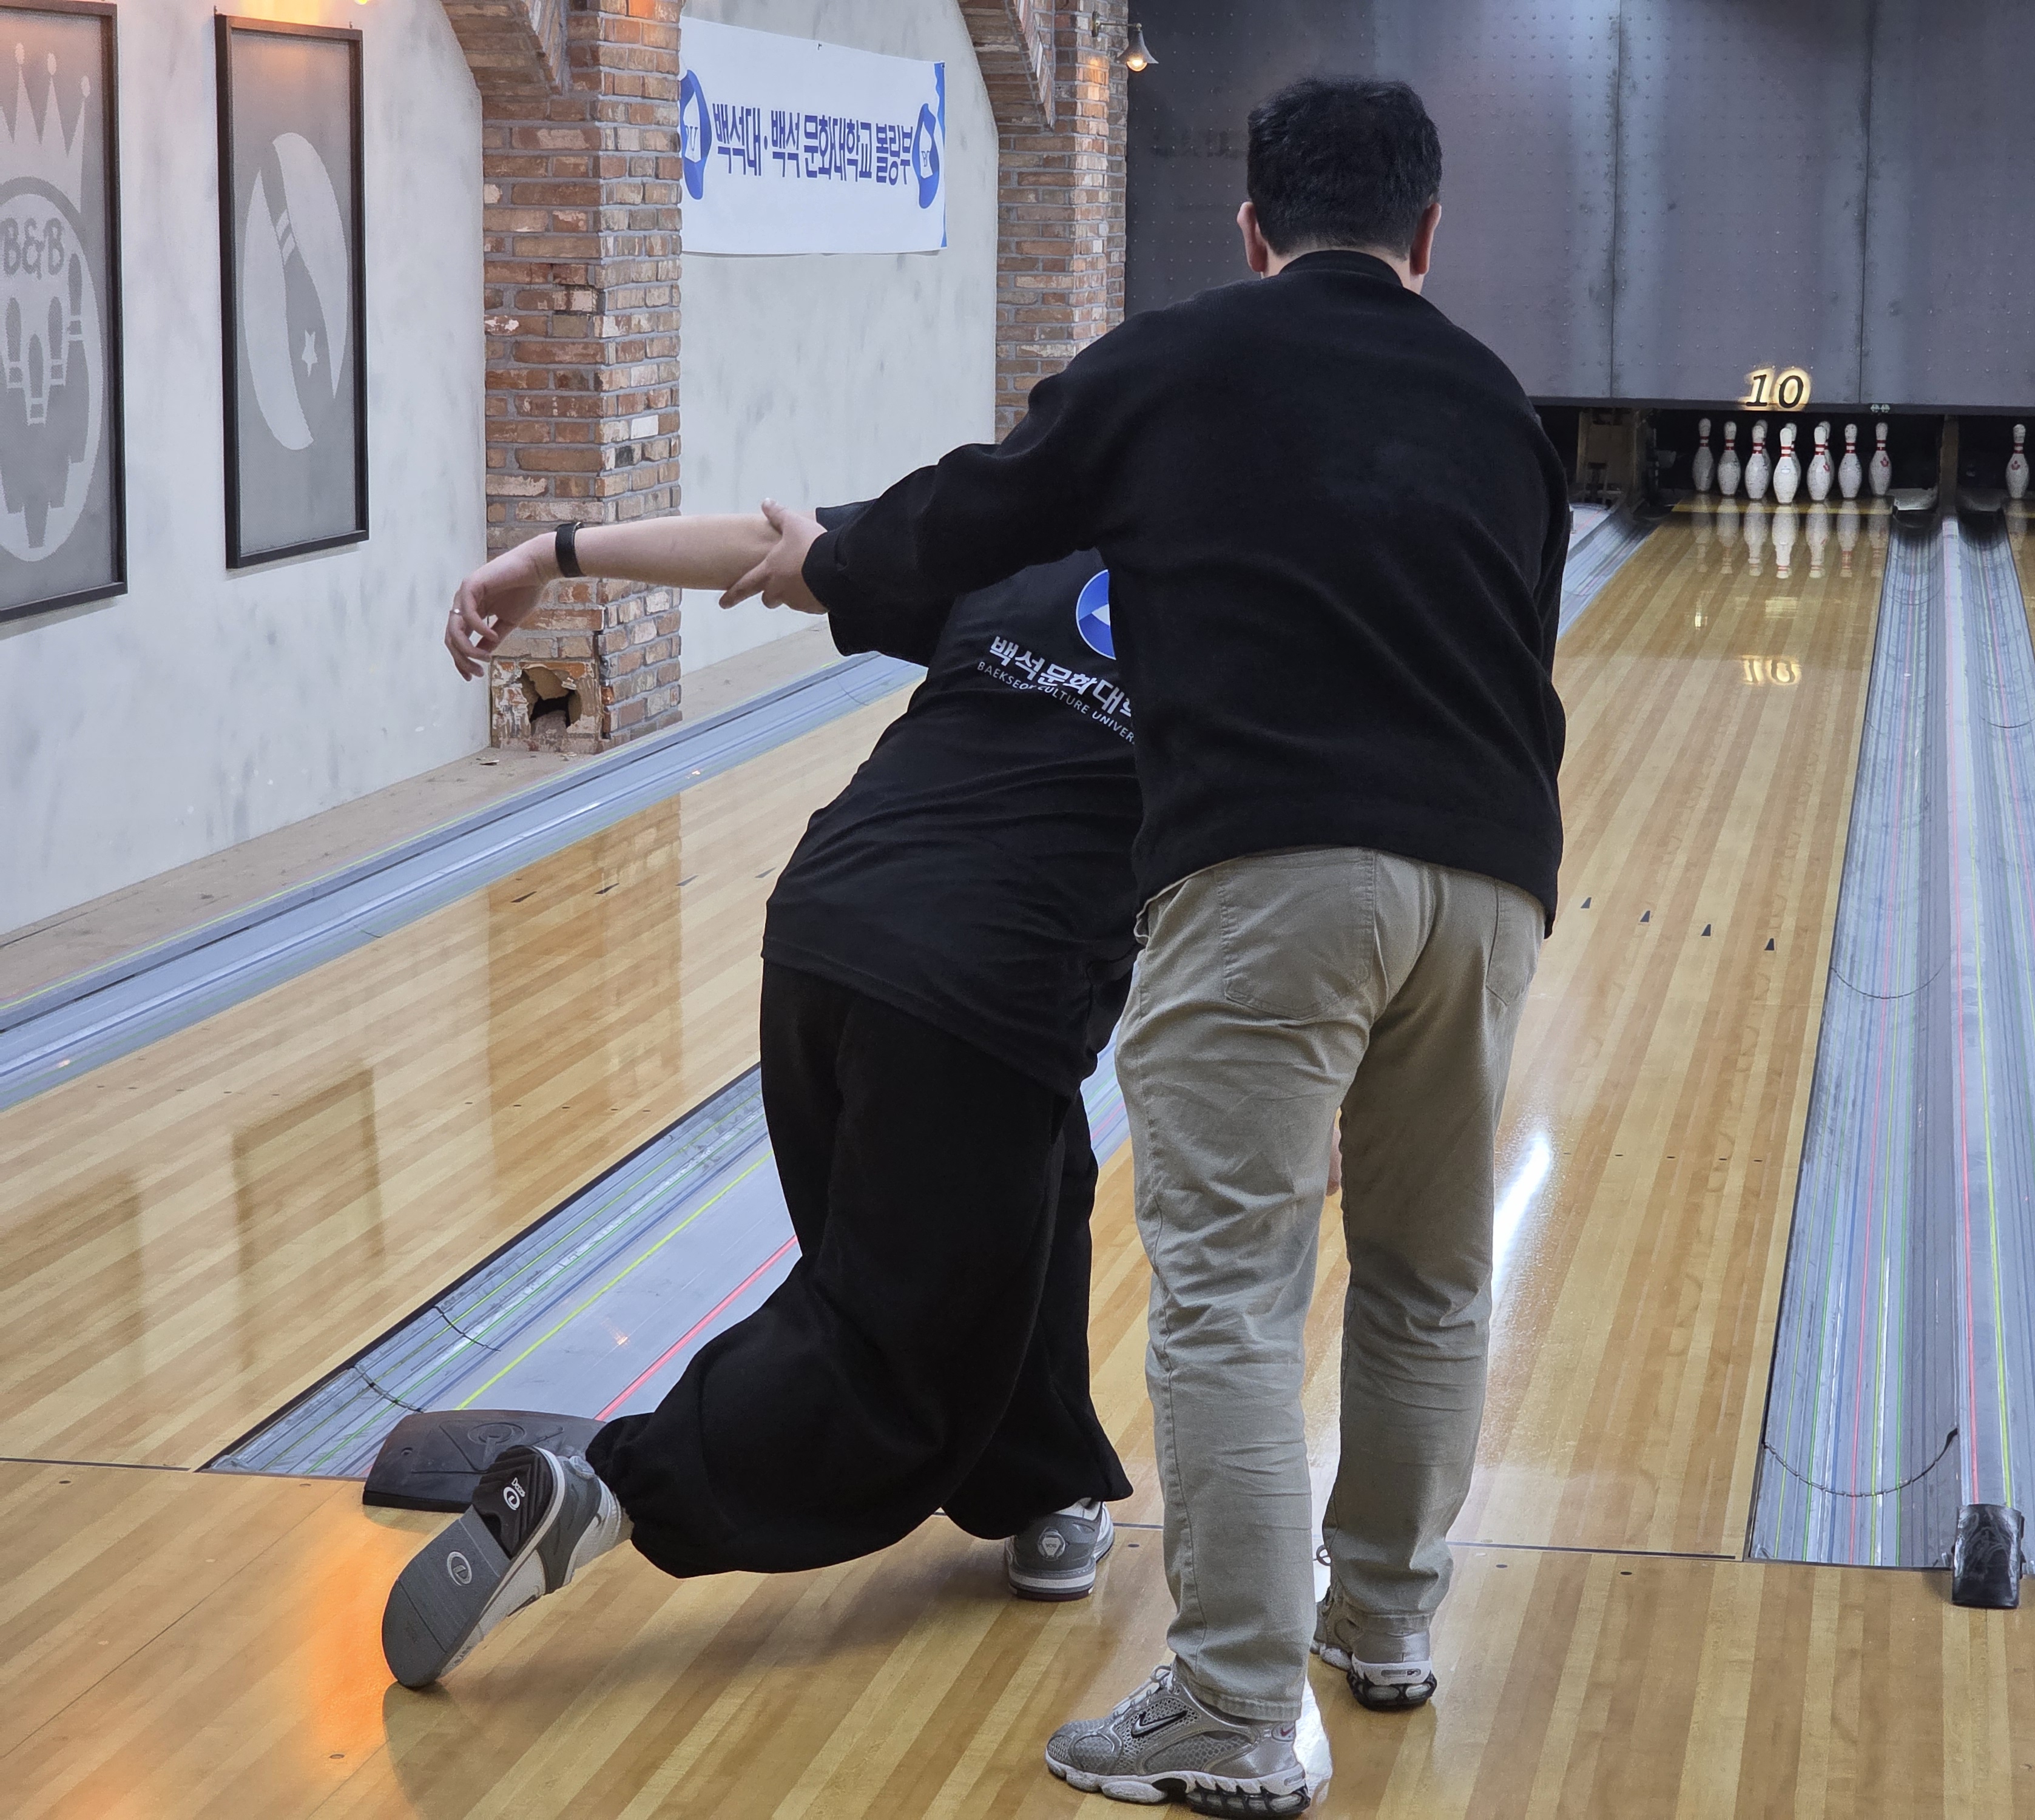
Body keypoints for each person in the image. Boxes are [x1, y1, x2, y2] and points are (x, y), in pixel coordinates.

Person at [729, 78, 1567, 1816]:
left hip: (1270, 871)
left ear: (1251, 233)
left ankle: (1233, 1708)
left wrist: (830, 559)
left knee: (1234, 1298)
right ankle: (1387, 1626)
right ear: (1428, 237)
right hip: (1488, 881)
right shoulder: (1500, 407)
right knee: (1428, 1274)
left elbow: (963, 520)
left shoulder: (1181, 358)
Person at [380, 505, 1143, 1688]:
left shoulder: (1023, 547)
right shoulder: (1259, 625)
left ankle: (1041, 1482)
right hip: (979, 991)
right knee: (888, 1352)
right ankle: (610, 1491)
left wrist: (549, 556)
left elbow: (766, 545)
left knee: (1034, 1178)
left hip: (825, 933)